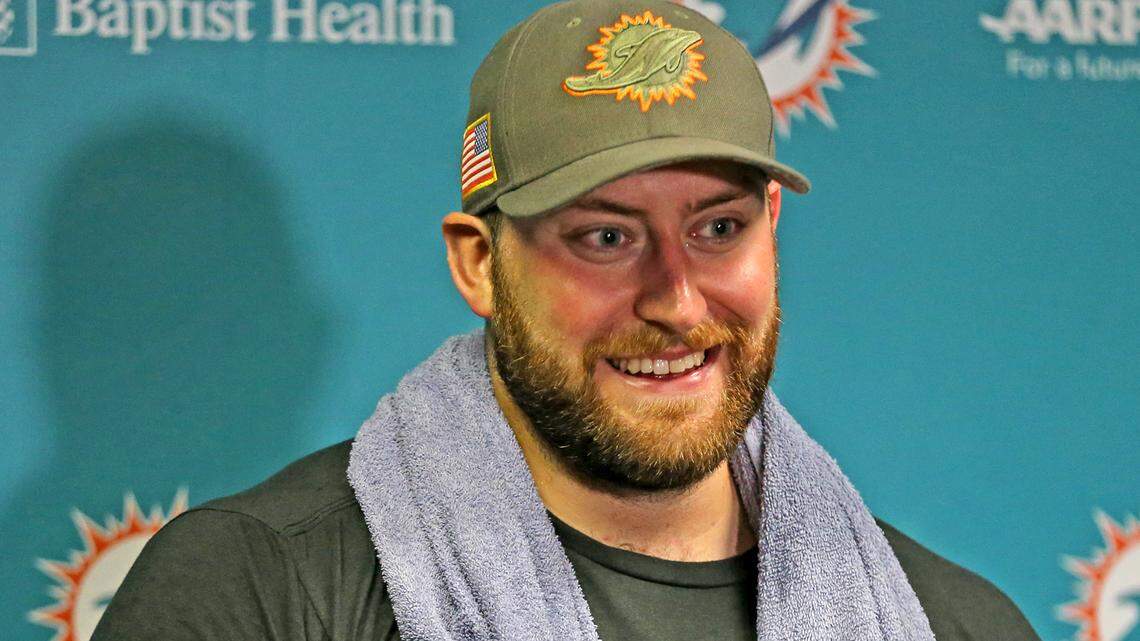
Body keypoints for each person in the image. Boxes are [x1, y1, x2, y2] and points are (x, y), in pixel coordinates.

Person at [93, 1, 1041, 640]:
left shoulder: (952, 620)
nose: (676, 298)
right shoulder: (263, 590)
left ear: (773, 229)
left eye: (718, 227)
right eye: (604, 237)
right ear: (478, 261)